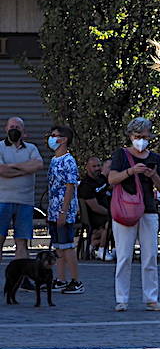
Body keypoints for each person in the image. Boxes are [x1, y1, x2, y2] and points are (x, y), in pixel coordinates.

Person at [107, 117, 160, 312]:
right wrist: (131, 171)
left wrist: (153, 175)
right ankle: (121, 299)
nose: (141, 140)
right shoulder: (121, 155)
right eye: (137, 136)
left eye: (144, 136)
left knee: (150, 256)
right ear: (130, 136)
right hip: (125, 210)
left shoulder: (155, 158)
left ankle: (151, 298)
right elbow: (112, 179)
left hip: (148, 210)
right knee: (124, 256)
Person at [0, 116, 43, 266]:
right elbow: (1, 170)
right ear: (6, 129)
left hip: (25, 202)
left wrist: (11, 166)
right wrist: (24, 169)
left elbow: (38, 165)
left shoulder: (31, 148)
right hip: (2, 201)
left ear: (23, 131)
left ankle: (22, 279)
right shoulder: (0, 147)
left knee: (22, 243)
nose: (14, 130)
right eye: (11, 127)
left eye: (17, 128)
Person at [46, 126, 83, 294]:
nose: (52, 139)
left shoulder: (69, 161)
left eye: (55, 136)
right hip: (53, 209)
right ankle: (60, 279)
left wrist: (64, 211)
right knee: (58, 246)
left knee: (67, 246)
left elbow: (70, 187)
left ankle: (76, 281)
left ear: (64, 139)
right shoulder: (54, 160)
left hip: (64, 210)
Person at [78, 156, 112, 257]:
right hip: (93, 216)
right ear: (87, 168)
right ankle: (102, 250)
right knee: (113, 222)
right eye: (94, 166)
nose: (97, 168)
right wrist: (111, 212)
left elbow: (111, 185)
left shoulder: (101, 179)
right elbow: (95, 207)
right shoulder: (86, 185)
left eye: (99, 165)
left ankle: (92, 243)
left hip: (105, 214)